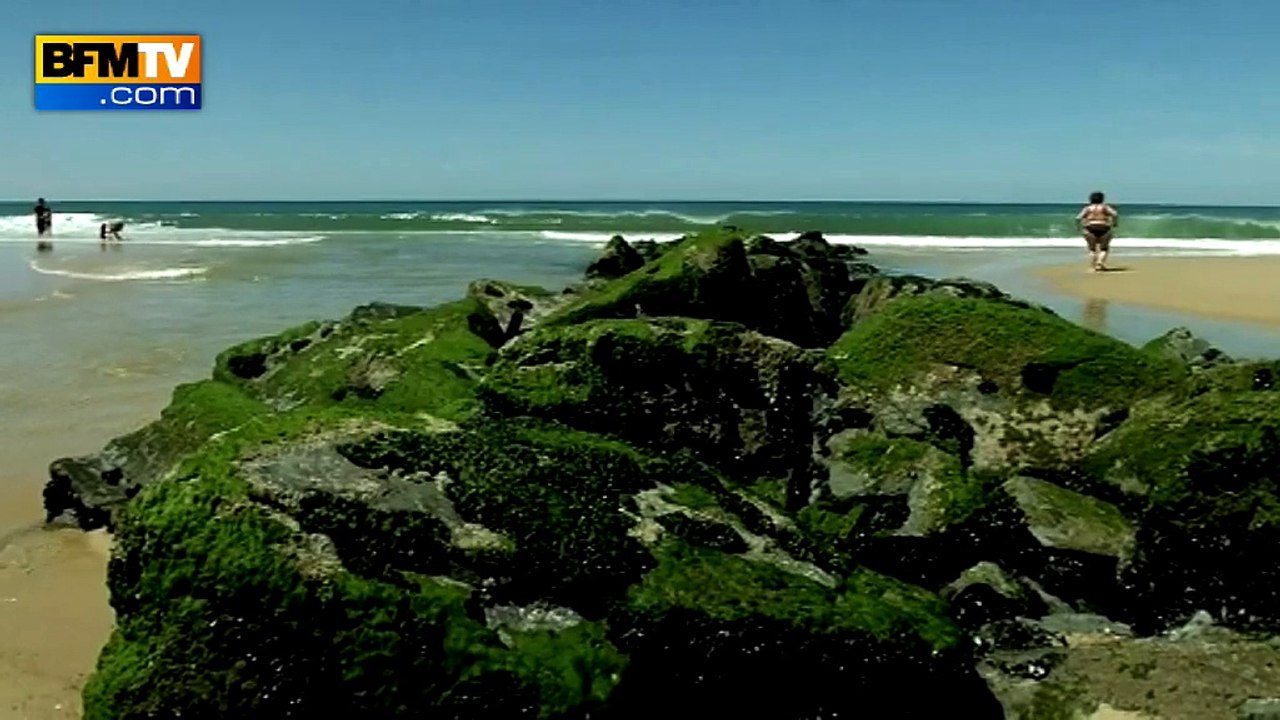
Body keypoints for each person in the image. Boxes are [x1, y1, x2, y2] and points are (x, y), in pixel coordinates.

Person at [1075, 191, 1118, 272]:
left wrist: (1079, 227)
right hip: (1104, 227)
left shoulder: (1088, 208)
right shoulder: (1105, 207)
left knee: (1092, 249)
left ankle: (1094, 266)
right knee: (1104, 248)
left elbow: (1078, 218)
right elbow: (1115, 214)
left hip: (1090, 227)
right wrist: (1115, 223)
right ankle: (1100, 262)